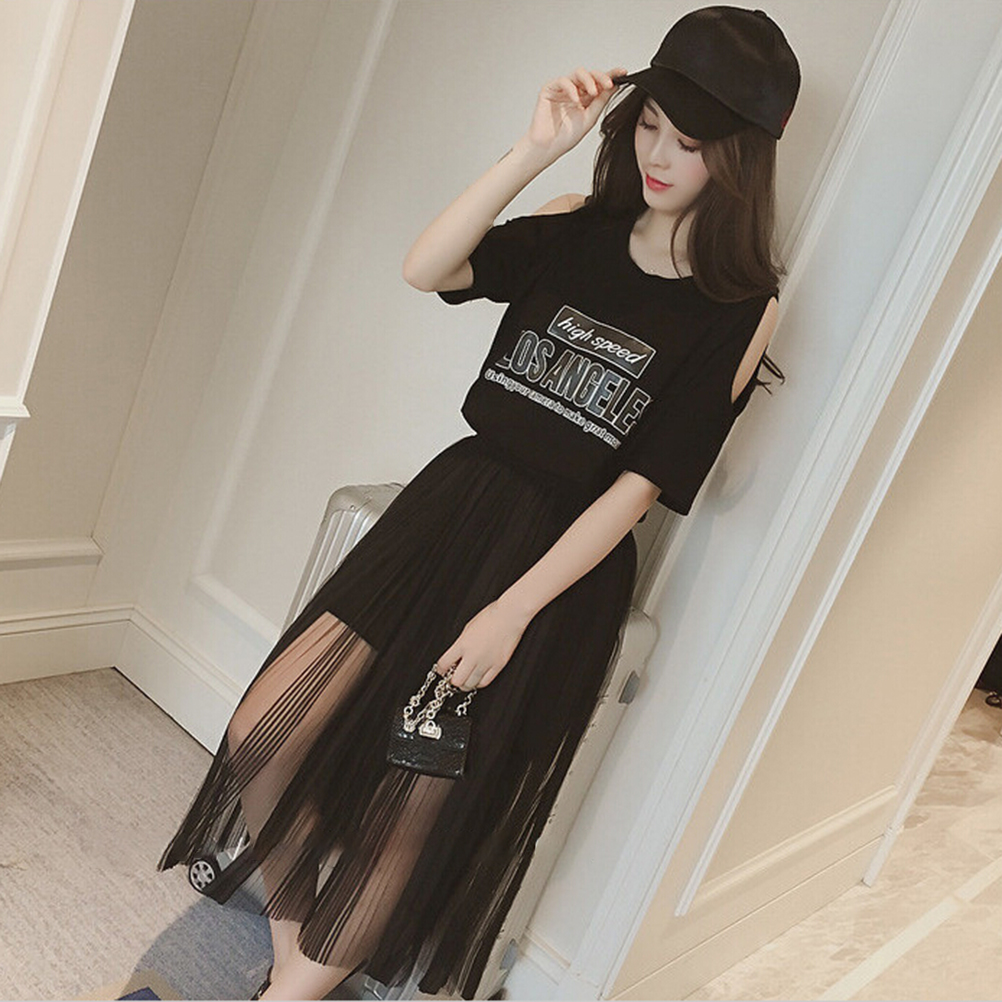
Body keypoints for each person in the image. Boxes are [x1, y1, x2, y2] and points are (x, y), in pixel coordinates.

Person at [156, 6, 800, 1000]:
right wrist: (534, 152)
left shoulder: (741, 310)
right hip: (453, 508)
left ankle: (290, 991)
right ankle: (294, 946)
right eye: (649, 125)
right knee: (265, 727)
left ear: (740, 161)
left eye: (690, 141)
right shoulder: (575, 229)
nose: (660, 155)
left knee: (411, 809)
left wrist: (513, 612)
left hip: (552, 569)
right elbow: (428, 268)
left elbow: (639, 492)